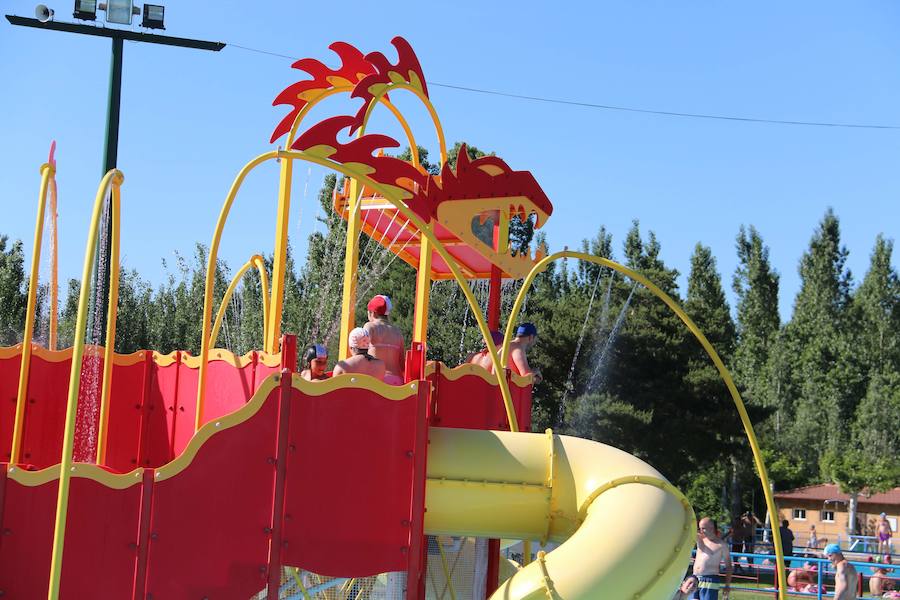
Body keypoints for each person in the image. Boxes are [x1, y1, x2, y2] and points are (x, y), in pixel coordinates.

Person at [364, 294, 405, 385]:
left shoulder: (370, 327)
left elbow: (361, 352)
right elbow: (402, 365)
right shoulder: (397, 332)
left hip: (376, 379)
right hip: (396, 380)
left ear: (373, 313)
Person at [694, 517, 732, 599]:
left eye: (703, 528)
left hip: (710, 579)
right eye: (699, 528)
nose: (700, 531)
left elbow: (729, 566)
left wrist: (727, 585)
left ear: (711, 528)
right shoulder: (700, 540)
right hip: (695, 578)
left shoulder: (722, 545)